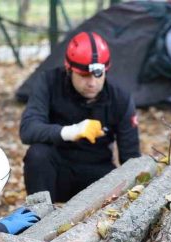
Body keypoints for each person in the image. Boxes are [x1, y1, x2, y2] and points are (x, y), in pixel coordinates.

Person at [20, 31, 141, 202]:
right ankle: (38, 217)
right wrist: (71, 131)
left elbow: (131, 157)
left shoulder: (119, 97)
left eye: (98, 75)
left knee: (116, 180)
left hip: (96, 171)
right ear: (69, 70)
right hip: (57, 168)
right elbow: (28, 129)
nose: (92, 82)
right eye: (83, 75)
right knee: (37, 154)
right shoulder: (49, 82)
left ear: (106, 69)